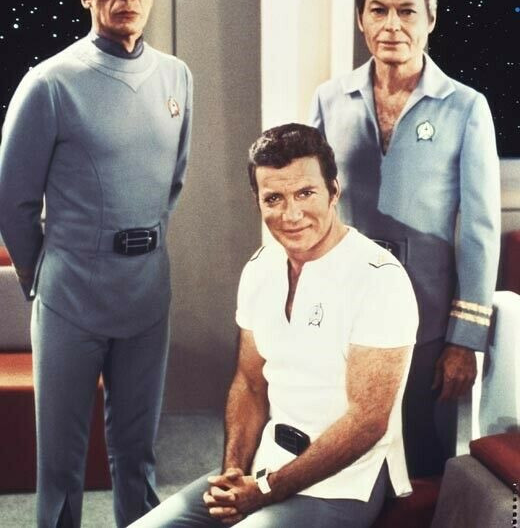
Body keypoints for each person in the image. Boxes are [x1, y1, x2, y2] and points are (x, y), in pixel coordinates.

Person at [128, 123, 418, 528]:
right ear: (258, 202)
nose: (291, 214)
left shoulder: (380, 279)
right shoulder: (260, 268)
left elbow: (367, 423)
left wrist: (265, 491)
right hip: (267, 465)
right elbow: (249, 384)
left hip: (342, 485)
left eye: (305, 193)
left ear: (334, 191)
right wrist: (233, 472)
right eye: (274, 199)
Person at [0, 0, 193, 527]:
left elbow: (172, 183)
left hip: (147, 291)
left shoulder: (176, 77)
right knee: (60, 466)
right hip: (70, 293)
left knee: (137, 458)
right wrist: (43, 279)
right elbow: (13, 203)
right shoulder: (50, 83)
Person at [309, 0, 501, 476]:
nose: (392, 25)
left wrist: (464, 340)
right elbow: (312, 211)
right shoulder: (329, 100)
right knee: (342, 453)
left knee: (422, 462)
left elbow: (480, 231)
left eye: (407, 10)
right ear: (361, 18)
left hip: (428, 317)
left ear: (430, 18)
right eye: (378, 10)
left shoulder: (466, 107)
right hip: (347, 310)